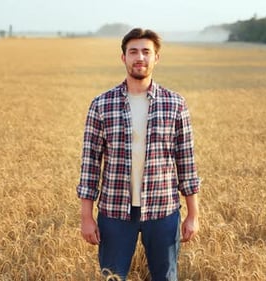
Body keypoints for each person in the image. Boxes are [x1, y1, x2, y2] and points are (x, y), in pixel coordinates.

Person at [77, 27, 200, 281]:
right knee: (112, 277)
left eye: (146, 51)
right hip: (115, 212)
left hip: (163, 211)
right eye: (133, 51)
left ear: (157, 58)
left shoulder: (175, 104)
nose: (140, 57)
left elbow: (186, 162)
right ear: (123, 58)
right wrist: (86, 217)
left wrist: (193, 215)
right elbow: (90, 165)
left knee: (166, 278)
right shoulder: (101, 104)